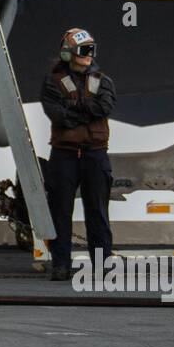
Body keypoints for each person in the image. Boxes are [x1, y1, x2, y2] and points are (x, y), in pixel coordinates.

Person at [38, 28, 117, 281]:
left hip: (94, 154)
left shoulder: (103, 80)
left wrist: (73, 108)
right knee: (60, 212)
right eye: (84, 50)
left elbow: (105, 106)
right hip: (65, 155)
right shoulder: (53, 81)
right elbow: (57, 115)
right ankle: (61, 264)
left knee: (98, 211)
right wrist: (86, 110)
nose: (89, 55)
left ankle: (102, 265)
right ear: (68, 53)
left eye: (91, 50)